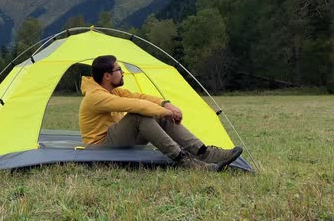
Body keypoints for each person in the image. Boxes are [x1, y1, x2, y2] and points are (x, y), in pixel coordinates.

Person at [78, 55, 242, 171]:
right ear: (107, 76)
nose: (123, 72)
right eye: (118, 69)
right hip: (100, 149)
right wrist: (166, 112)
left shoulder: (113, 91)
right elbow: (136, 105)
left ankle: (204, 153)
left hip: (118, 141)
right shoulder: (95, 97)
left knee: (154, 114)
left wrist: (166, 104)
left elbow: (140, 96)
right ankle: (184, 162)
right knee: (139, 115)